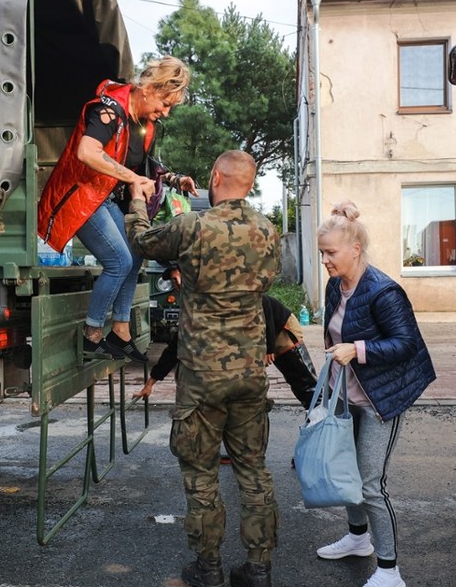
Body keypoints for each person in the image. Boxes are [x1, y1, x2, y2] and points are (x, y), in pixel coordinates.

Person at [126, 150, 281, 587]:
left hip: (201, 376)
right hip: (250, 371)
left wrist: (139, 200)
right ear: (249, 183)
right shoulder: (268, 231)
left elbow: (143, 241)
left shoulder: (192, 226)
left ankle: (208, 568)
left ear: (215, 177)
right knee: (253, 470)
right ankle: (258, 569)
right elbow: (267, 285)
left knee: (200, 473)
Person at [37, 56, 197, 362]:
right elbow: (87, 151)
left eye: (170, 107)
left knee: (135, 254)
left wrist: (176, 179)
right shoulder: (108, 110)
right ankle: (91, 336)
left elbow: (144, 167)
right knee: (119, 261)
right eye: (165, 102)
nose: (165, 111)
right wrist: (132, 178)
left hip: (104, 198)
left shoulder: (144, 125)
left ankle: (120, 332)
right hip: (80, 196)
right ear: (149, 87)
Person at [314, 201, 436, 587]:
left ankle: (389, 571)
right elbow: (335, 333)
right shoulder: (337, 286)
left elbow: (406, 344)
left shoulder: (384, 291)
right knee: (347, 475)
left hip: (382, 398)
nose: (325, 261)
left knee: (370, 484)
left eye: (331, 253)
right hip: (347, 395)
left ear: (355, 249)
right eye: (322, 253)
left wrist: (358, 350)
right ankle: (357, 538)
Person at [134, 293, 317, 410]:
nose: (178, 283)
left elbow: (264, 304)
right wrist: (151, 383)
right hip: (252, 339)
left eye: (179, 277)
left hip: (278, 329)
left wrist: (269, 347)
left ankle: (324, 437)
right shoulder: (196, 310)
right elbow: (175, 348)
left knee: (304, 383)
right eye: (175, 281)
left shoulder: (225, 287)